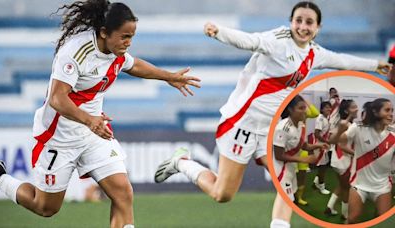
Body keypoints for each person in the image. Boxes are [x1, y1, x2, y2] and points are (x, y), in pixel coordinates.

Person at [154, 1, 390, 226]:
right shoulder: (278, 40)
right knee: (222, 194)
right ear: (291, 22)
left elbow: (341, 61)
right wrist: (219, 32)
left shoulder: (313, 53)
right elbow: (249, 40)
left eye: (309, 22)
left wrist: (374, 65)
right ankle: (181, 162)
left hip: (270, 129)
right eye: (298, 20)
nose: (303, 27)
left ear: (318, 28)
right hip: (243, 123)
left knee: (287, 182)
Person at [0, 1, 200, 228]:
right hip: (59, 135)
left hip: (93, 133)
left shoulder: (116, 51)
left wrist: (168, 76)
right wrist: (90, 120)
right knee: (45, 207)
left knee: (123, 193)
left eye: (132, 37)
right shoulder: (76, 52)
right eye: (124, 36)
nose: (128, 43)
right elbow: (57, 98)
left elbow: (134, 65)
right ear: (104, 32)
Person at [329, 98, 394, 224]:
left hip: (382, 186)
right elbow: (333, 141)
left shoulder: (393, 133)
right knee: (352, 219)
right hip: (359, 184)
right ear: (375, 112)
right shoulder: (358, 127)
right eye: (387, 110)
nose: (391, 113)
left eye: (392, 110)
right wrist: (340, 129)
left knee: (383, 220)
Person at [272, 95, 329, 226]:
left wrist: (318, 145)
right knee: (286, 201)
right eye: (301, 108)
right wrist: (303, 159)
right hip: (282, 170)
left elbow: (303, 145)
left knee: (289, 200)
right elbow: (278, 155)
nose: (305, 111)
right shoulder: (283, 128)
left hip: (291, 169)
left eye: (305, 108)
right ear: (291, 110)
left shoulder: (300, 124)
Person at [325, 99, 358, 220]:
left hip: (336, 160)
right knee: (346, 188)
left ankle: (329, 206)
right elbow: (343, 146)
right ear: (346, 110)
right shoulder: (348, 125)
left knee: (341, 185)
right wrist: (357, 154)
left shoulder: (342, 123)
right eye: (353, 107)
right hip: (343, 161)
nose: (357, 109)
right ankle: (345, 214)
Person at [312, 101, 332, 195]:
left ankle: (316, 182)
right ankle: (321, 186)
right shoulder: (320, 118)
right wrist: (326, 141)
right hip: (320, 146)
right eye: (326, 107)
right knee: (322, 166)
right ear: (322, 109)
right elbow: (316, 133)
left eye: (330, 107)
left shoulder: (325, 118)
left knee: (323, 165)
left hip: (323, 145)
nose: (329, 109)